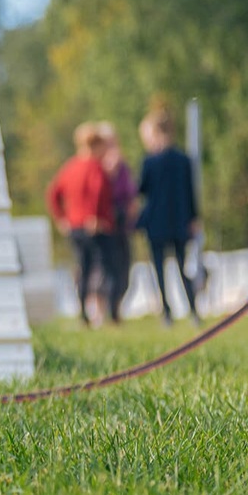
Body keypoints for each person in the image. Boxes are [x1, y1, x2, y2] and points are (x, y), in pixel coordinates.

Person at [135, 101, 202, 327]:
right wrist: (194, 217)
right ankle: (193, 311)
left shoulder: (149, 161)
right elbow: (191, 192)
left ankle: (167, 314)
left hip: (156, 223)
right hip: (179, 221)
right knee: (183, 267)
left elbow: (141, 189)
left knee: (160, 270)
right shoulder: (183, 159)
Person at [47, 123, 118, 326]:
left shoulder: (69, 167)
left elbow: (53, 193)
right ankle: (111, 313)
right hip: (96, 227)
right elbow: (97, 191)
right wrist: (95, 216)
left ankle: (83, 315)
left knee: (83, 269)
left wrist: (61, 218)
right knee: (107, 268)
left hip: (75, 227)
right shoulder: (96, 167)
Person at [95, 122, 136, 322]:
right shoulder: (95, 167)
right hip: (103, 225)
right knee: (103, 271)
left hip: (121, 225)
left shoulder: (123, 167)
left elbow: (131, 194)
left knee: (123, 270)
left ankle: (116, 310)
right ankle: (102, 313)